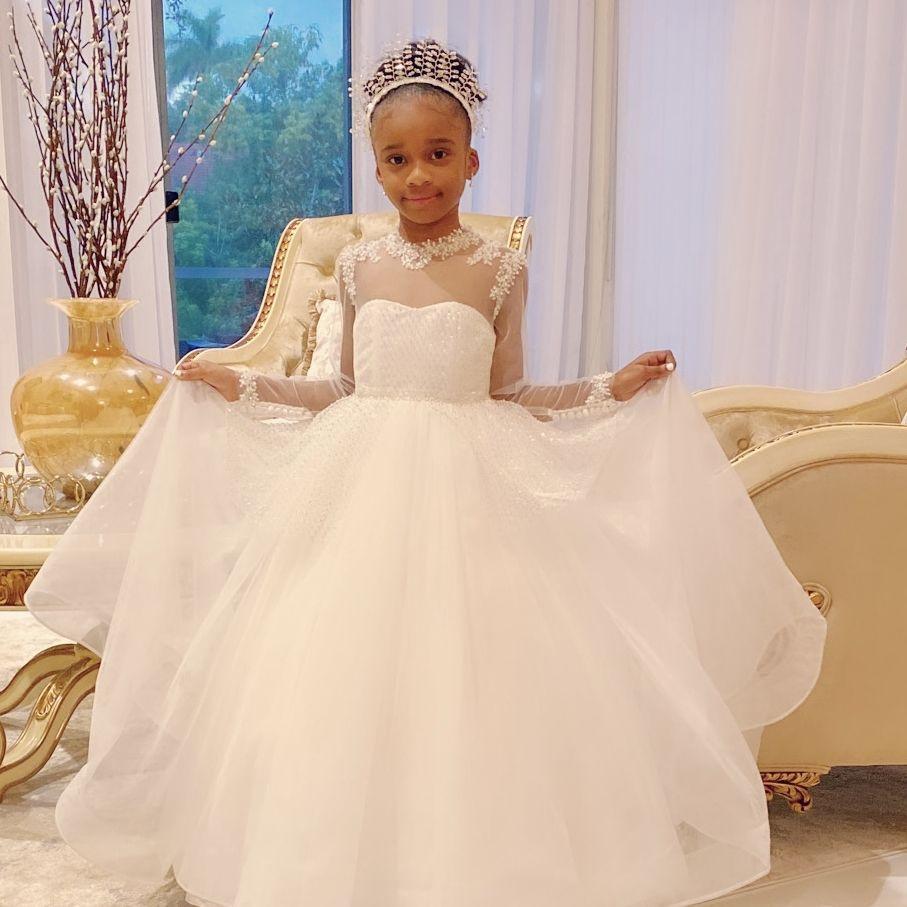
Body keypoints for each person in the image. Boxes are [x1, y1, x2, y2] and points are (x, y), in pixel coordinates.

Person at [24, 36, 827, 907]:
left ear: (470, 160)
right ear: (376, 169)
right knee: (331, 656)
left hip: (473, 481)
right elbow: (342, 387)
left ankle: (480, 855)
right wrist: (239, 379)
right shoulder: (359, 266)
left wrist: (611, 385)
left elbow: (511, 391)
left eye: (437, 155)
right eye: (397, 159)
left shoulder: (499, 268)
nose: (418, 176)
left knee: (479, 660)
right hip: (357, 479)